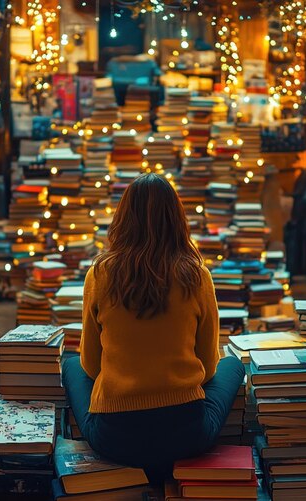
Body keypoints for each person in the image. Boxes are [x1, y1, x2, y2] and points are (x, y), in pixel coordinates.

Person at [62, 173, 245, 478]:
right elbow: (209, 368)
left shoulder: (100, 274)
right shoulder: (197, 276)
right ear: (176, 219)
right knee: (233, 365)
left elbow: (92, 367)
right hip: (186, 436)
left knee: (72, 365)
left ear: (123, 218)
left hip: (114, 438)